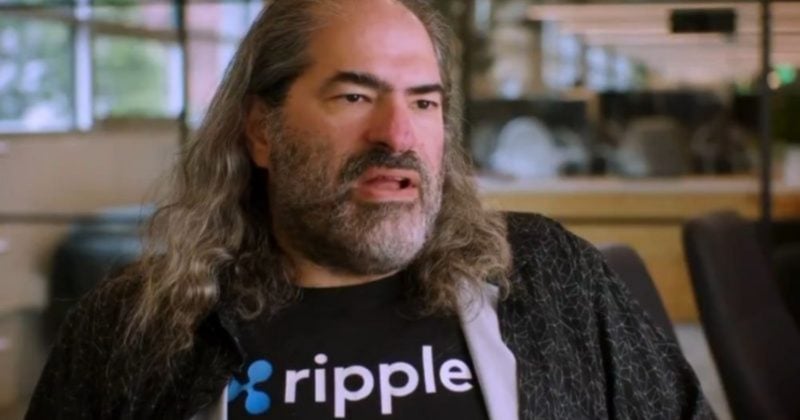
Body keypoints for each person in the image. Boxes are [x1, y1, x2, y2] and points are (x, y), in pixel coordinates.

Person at [26, 0, 714, 419]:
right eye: (354, 97)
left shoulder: (550, 277)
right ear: (261, 131)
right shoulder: (135, 330)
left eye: (424, 101)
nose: (397, 135)